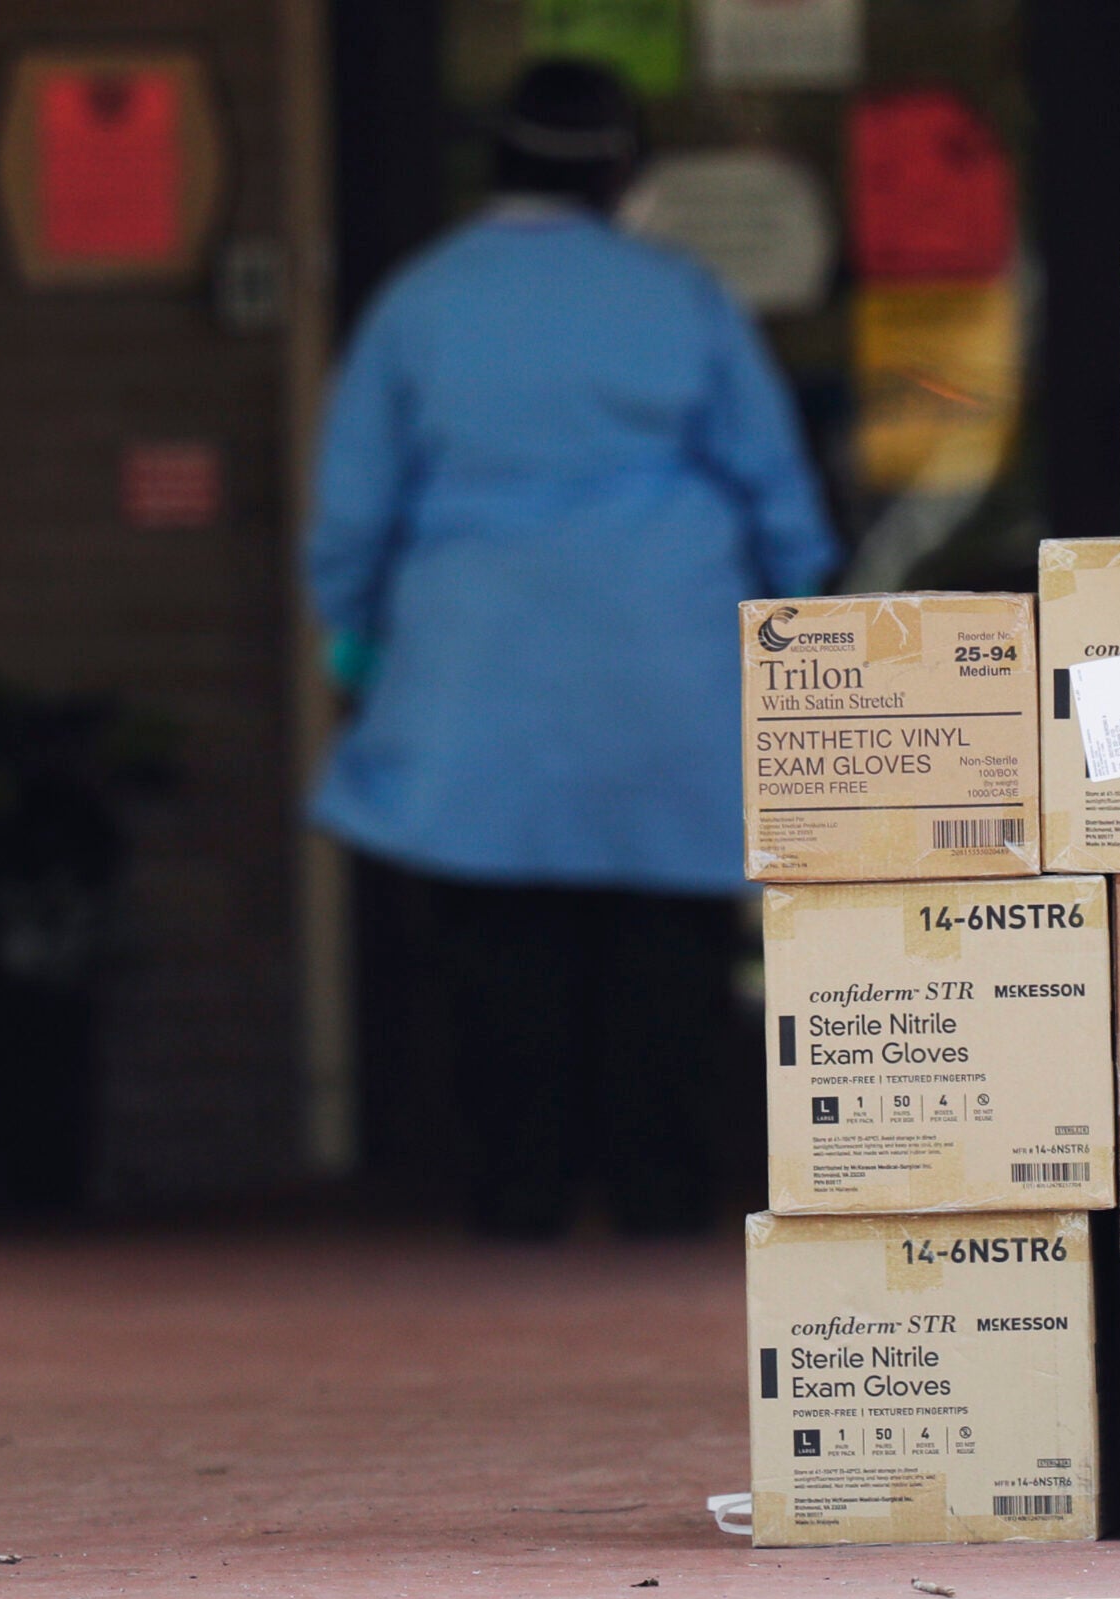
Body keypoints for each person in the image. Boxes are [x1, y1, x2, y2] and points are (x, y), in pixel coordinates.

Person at [305, 60, 837, 1238]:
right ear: (619, 171)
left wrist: (354, 635)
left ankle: (517, 1194)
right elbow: (776, 494)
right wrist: (804, 607)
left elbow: (352, 508)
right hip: (666, 657)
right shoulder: (681, 297)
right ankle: (656, 1194)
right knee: (666, 943)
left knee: (500, 943)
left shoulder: (423, 301)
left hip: (477, 661)